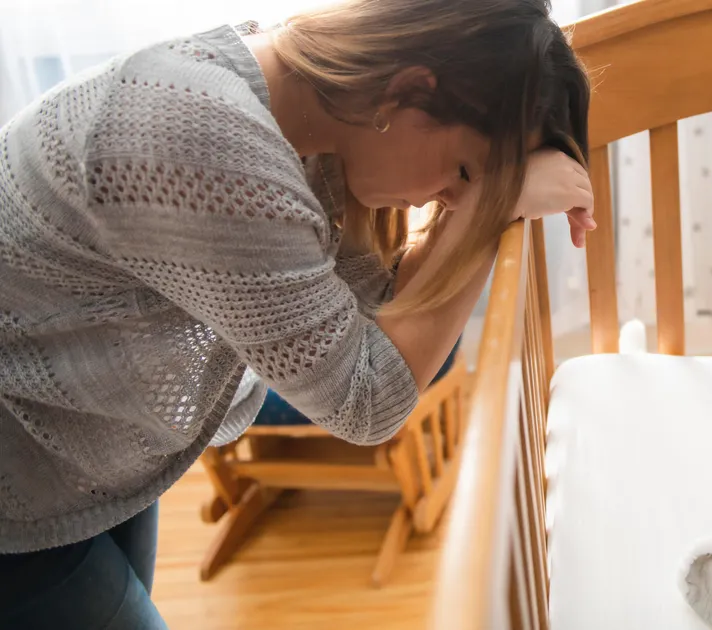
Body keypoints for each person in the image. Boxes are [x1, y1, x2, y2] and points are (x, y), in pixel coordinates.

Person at [0, 0, 594, 626]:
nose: (445, 199)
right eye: (464, 171)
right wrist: (489, 211)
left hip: (94, 438)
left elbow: (376, 303)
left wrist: (485, 197)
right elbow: (365, 402)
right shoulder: (206, 138)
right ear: (411, 90)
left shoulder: (302, 116)